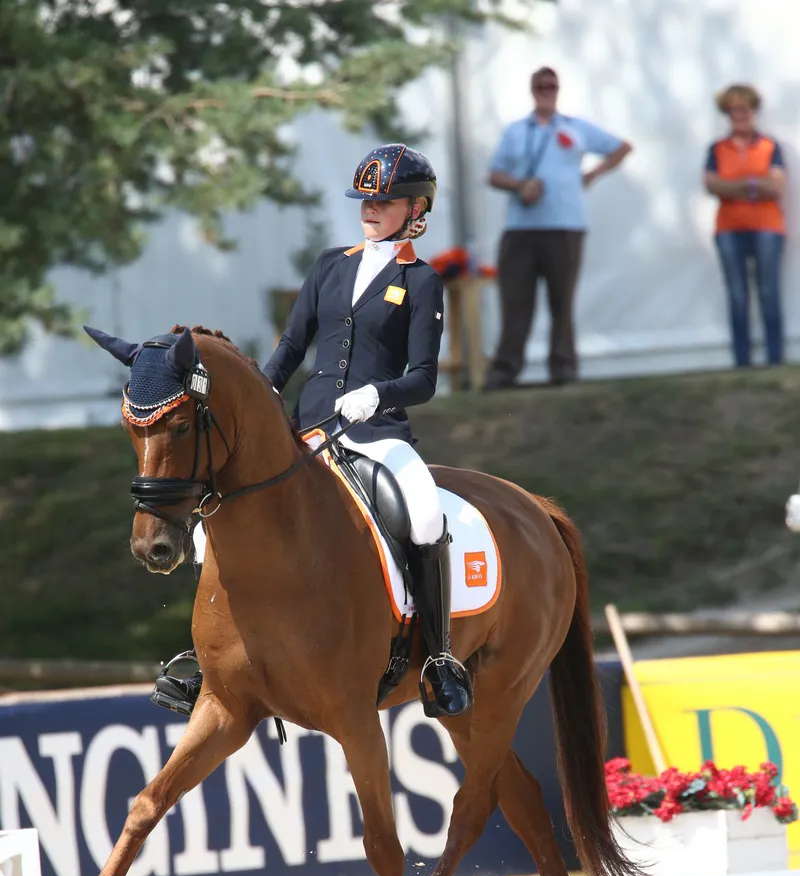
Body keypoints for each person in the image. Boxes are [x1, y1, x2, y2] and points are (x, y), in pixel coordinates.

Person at [153, 144, 472, 721]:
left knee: (425, 514)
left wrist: (378, 393)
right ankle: (207, 656)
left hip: (376, 431)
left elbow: (424, 377)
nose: (370, 208)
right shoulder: (330, 264)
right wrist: (264, 391)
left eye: (384, 200)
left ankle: (439, 658)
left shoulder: (421, 281)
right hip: (307, 428)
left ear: (416, 208)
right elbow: (292, 345)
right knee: (208, 529)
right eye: (365, 199)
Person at [483, 65, 632, 389]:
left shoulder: (576, 128)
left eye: (551, 86)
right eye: (541, 86)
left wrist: (593, 175)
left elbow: (621, 147)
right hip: (521, 227)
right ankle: (505, 369)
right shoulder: (516, 131)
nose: (546, 91)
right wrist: (520, 185)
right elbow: (495, 174)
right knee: (515, 300)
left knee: (562, 300)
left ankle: (563, 367)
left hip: (565, 225)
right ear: (533, 90)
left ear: (558, 90)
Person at [704, 84, 787, 367]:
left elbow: (776, 187)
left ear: (753, 111)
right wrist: (755, 184)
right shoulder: (717, 149)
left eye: (744, 109)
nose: (739, 115)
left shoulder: (769, 146)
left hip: (767, 228)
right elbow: (711, 185)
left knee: (768, 292)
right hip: (729, 229)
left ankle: (774, 358)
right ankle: (742, 361)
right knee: (738, 294)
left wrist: (735, 187)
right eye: (733, 110)